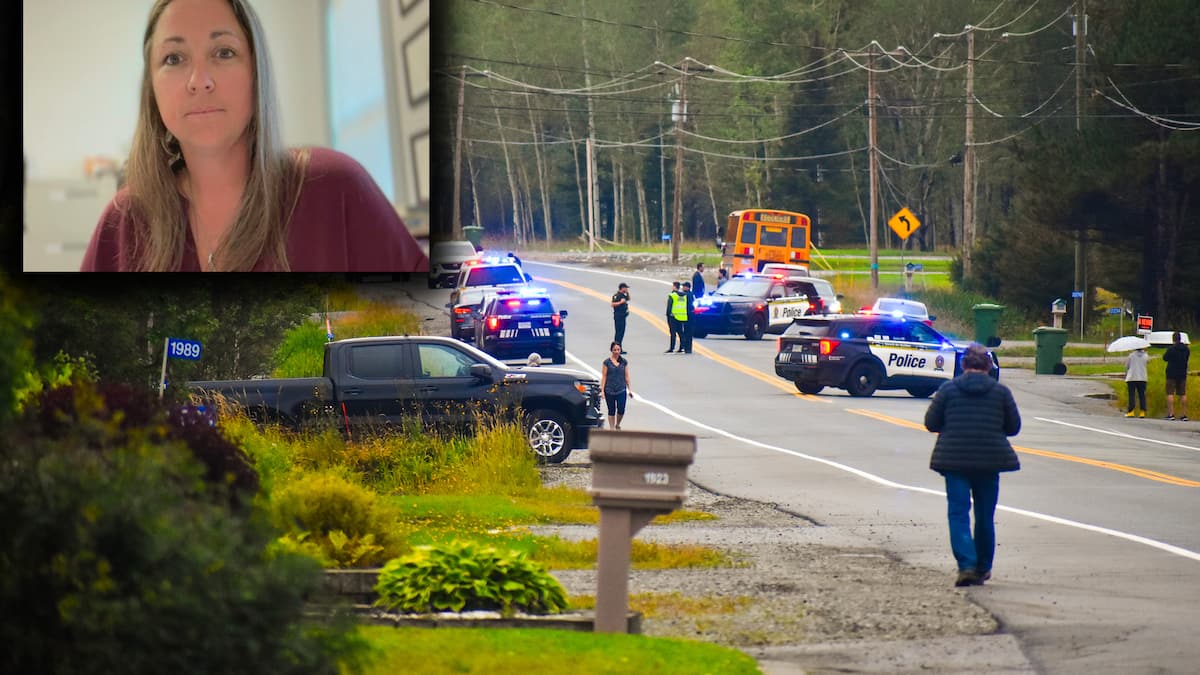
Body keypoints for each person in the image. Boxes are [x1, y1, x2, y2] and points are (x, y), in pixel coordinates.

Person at [80, 0, 428, 273]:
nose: (199, 80)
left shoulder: (336, 187)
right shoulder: (122, 222)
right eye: (174, 58)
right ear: (151, 88)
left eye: (223, 52)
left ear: (255, 73)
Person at [924, 344, 1021, 587]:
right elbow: (1013, 428)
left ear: (963, 365)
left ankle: (966, 565)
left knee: (958, 513)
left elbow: (931, 422)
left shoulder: (948, 390)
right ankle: (983, 567)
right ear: (988, 366)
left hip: (954, 460)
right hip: (989, 461)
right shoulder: (1001, 393)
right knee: (985, 515)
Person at [599, 341, 632, 430]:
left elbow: (627, 376)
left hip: (621, 389)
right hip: (609, 389)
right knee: (611, 410)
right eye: (615, 350)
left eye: (618, 350)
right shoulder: (607, 362)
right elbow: (604, 376)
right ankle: (612, 428)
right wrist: (602, 390)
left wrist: (630, 390)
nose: (617, 351)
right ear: (611, 350)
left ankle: (618, 424)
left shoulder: (624, 362)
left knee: (621, 409)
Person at [1163, 331, 1190, 421]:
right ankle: (1184, 414)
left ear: (1173, 339)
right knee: (1183, 393)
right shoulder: (1186, 349)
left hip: (1171, 373)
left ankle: (1171, 414)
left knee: (1170, 393)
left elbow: (1165, 358)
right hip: (1182, 373)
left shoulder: (1171, 349)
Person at [1124, 347, 1148, 418]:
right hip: (1142, 377)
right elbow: (1146, 364)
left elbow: (1127, 366)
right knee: (1142, 395)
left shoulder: (1131, 355)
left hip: (1132, 377)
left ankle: (1131, 411)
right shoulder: (1146, 356)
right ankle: (1142, 412)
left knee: (1132, 395)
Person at [611, 282, 630, 352]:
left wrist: (627, 292)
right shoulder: (617, 296)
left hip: (623, 317)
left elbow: (628, 298)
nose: (627, 289)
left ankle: (620, 348)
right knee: (618, 333)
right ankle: (616, 348)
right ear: (622, 288)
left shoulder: (623, 295)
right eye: (626, 288)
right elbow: (612, 304)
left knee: (622, 333)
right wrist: (620, 302)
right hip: (618, 317)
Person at [678, 281, 695, 354]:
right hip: (689, 315)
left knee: (687, 332)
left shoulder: (687, 295)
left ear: (688, 287)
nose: (683, 288)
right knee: (687, 332)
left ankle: (687, 348)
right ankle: (687, 348)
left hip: (688, 315)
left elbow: (680, 299)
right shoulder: (690, 294)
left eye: (684, 286)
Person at [664, 281, 682, 353]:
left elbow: (669, 306)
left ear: (674, 287)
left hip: (672, 316)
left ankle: (672, 347)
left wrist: (668, 314)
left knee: (673, 333)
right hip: (680, 315)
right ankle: (682, 346)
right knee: (680, 332)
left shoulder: (672, 295)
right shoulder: (682, 296)